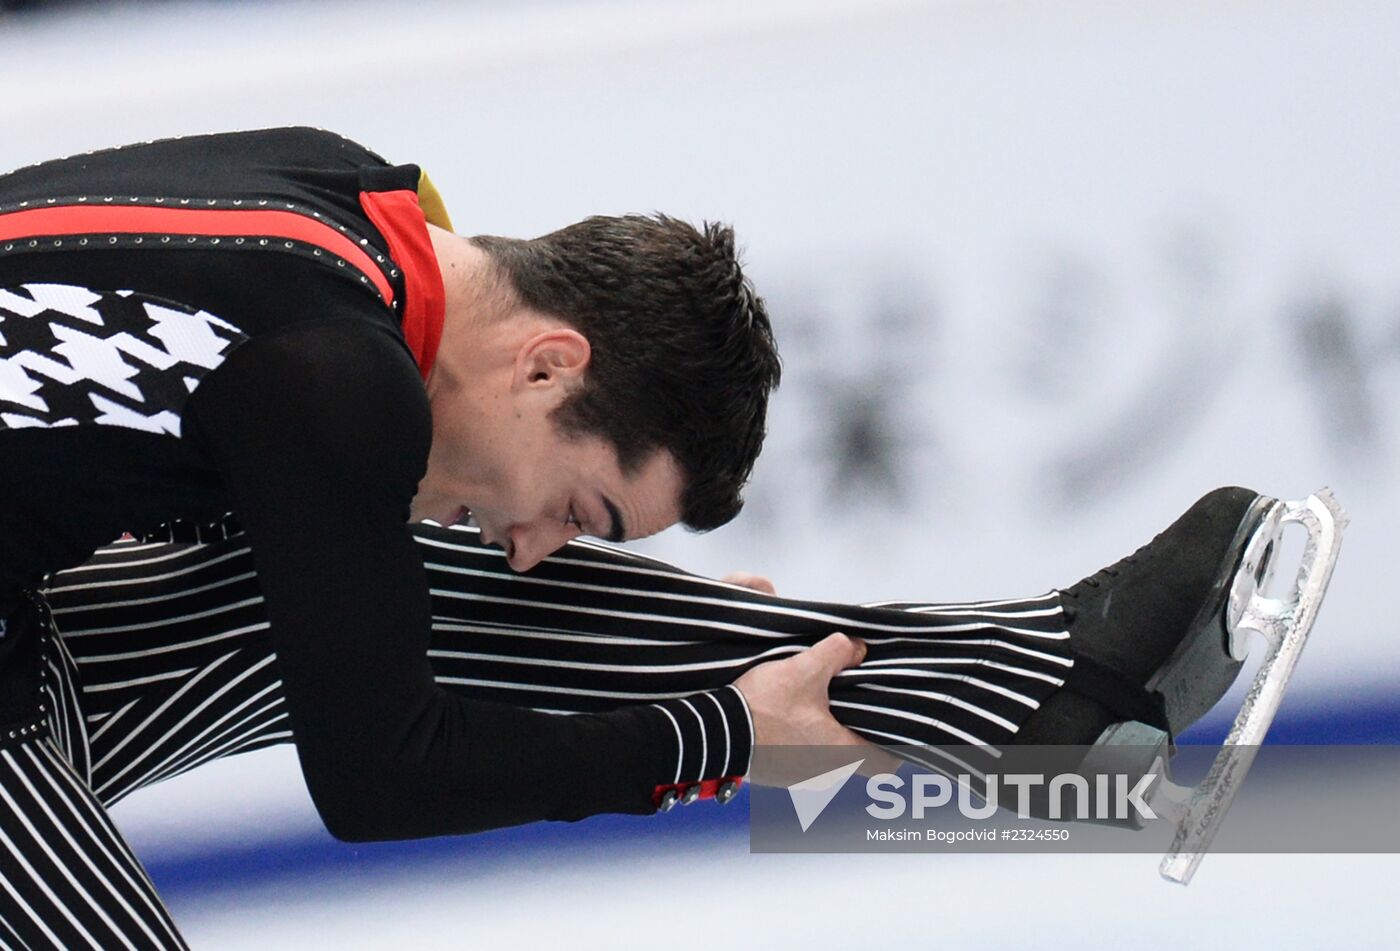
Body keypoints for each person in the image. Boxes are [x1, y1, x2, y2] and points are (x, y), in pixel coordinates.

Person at [0, 127, 1268, 949]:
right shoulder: (335, 376)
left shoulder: (330, 200)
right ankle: (1013, 688)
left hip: (30, 624)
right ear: (550, 366)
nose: (542, 544)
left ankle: (1023, 678)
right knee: (409, 600)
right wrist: (714, 733)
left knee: (410, 586)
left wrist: (649, 651)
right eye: (580, 510)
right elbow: (381, 782)